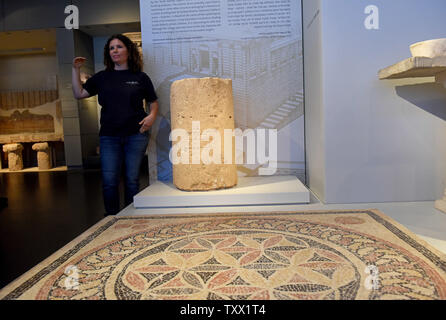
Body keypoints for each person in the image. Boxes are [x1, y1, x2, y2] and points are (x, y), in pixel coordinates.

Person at [72, 34, 158, 215]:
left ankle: (130, 216)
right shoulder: (102, 77)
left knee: (131, 179)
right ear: (108, 53)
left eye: (119, 47)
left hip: (136, 134)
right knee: (109, 180)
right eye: (111, 48)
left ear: (128, 50)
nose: (115, 50)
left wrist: (151, 117)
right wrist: (75, 69)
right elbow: (79, 94)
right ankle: (110, 219)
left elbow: (153, 101)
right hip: (109, 136)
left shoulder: (140, 77)